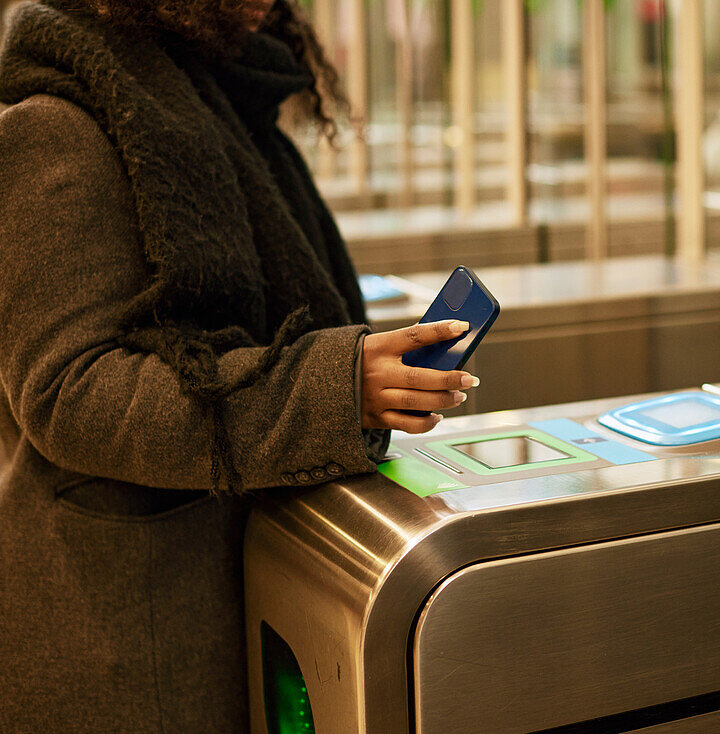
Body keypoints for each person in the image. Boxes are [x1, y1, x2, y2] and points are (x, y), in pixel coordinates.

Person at [0, 1, 474, 730]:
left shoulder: (220, 105)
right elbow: (70, 389)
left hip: (246, 577)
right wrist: (332, 387)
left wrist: (356, 376)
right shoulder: (56, 126)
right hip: (134, 626)